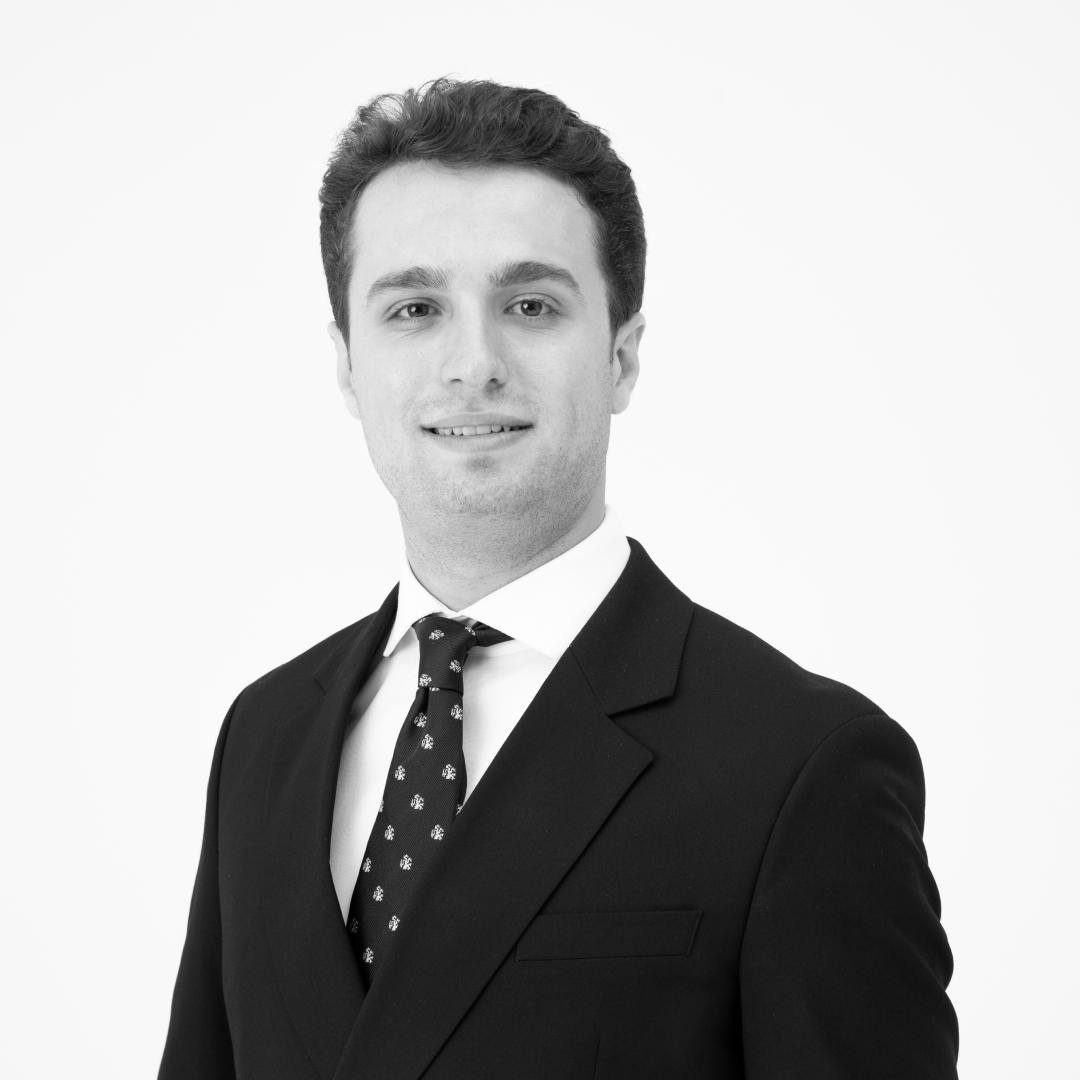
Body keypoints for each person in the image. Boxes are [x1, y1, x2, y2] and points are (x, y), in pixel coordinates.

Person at [158, 78, 959, 1079]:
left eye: (531, 305)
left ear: (622, 357)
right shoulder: (265, 734)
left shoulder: (804, 765)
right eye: (414, 308)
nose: (473, 364)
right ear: (347, 364)